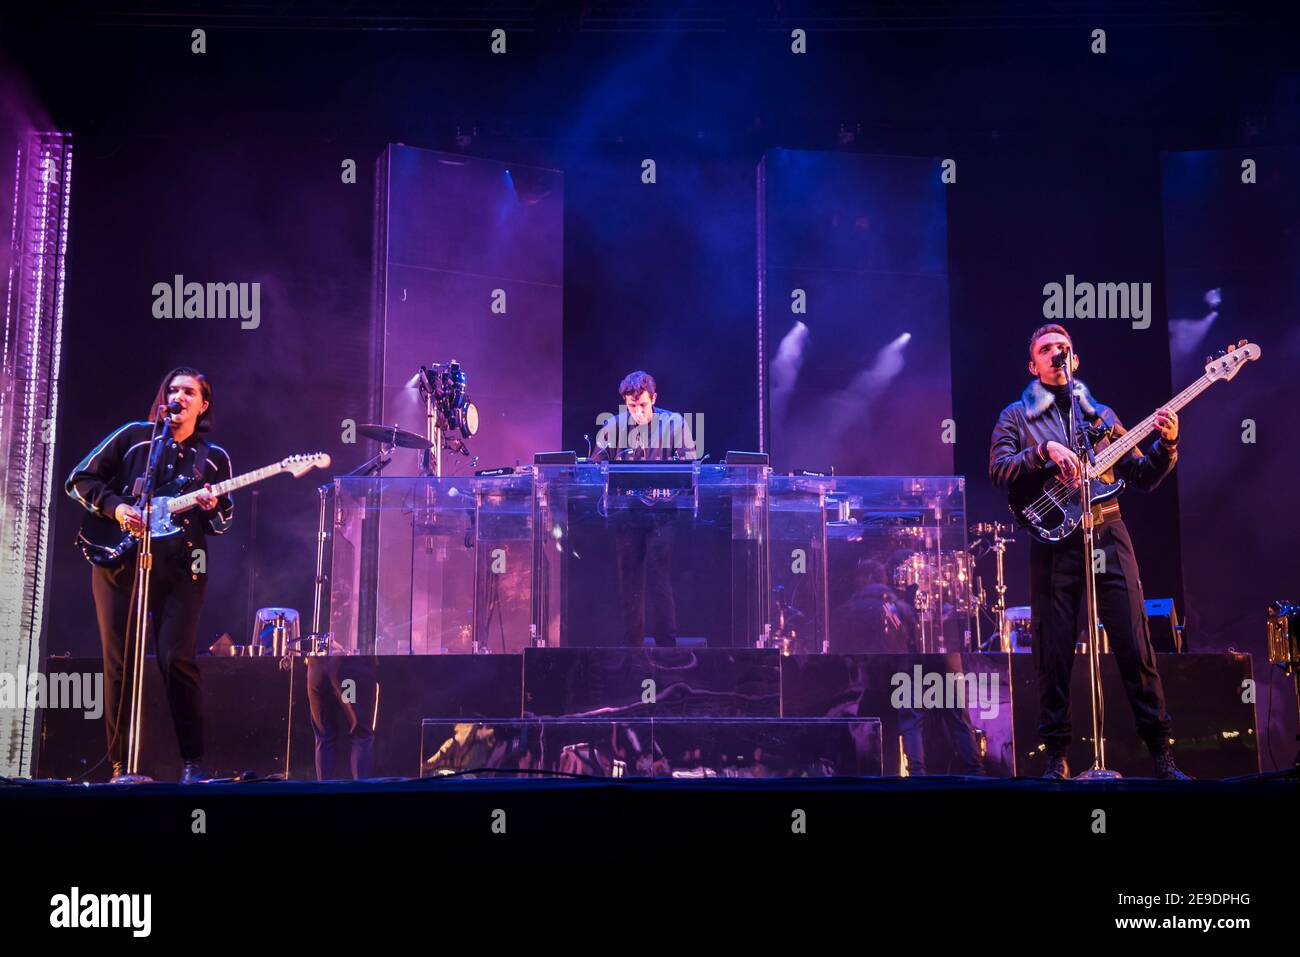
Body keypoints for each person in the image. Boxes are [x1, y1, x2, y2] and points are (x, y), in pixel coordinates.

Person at [989, 324, 1190, 780]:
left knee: (1135, 642)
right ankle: (1057, 757)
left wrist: (1169, 443)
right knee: (1054, 650)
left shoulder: (1099, 416)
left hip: (1107, 532)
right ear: (1033, 364)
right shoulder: (1015, 416)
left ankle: (1161, 753)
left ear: (1074, 361)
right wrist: (1043, 450)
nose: (1056, 353)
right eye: (1045, 348)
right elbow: (999, 469)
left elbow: (1141, 474)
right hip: (1053, 539)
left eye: (1063, 347)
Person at [66, 366, 233, 783]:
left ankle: (193, 764)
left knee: (177, 659)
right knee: (120, 661)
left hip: (183, 566)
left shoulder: (214, 458)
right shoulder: (134, 436)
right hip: (120, 560)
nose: (179, 397)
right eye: (173, 390)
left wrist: (214, 508)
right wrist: (118, 507)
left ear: (203, 404)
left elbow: (225, 523)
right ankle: (122, 766)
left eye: (189, 392)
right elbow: (79, 479)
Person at [593, 371, 695, 647]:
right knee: (630, 580)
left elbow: (690, 468)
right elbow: (594, 465)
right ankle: (632, 648)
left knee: (658, 572)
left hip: (663, 514)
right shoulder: (613, 427)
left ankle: (666, 647)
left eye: (643, 405)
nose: (637, 412)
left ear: (655, 399)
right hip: (627, 514)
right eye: (631, 406)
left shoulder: (674, 423)